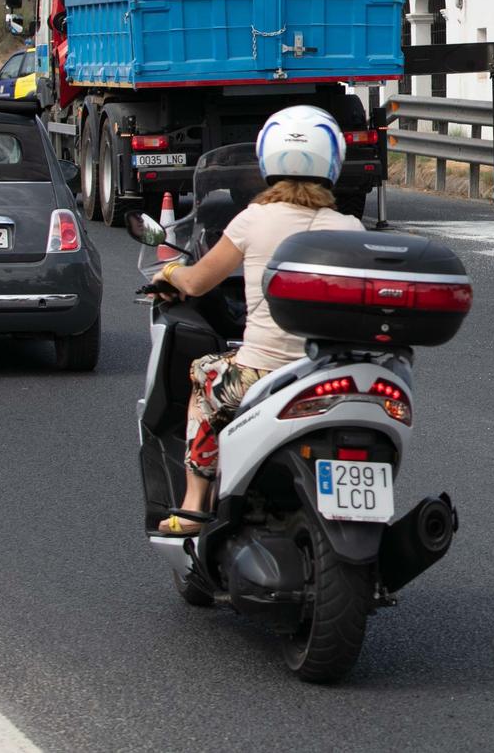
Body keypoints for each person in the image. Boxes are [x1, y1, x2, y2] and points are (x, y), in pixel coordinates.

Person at [152, 106, 364, 534]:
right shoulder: (349, 227)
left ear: (268, 160)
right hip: (327, 374)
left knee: (202, 380)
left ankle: (194, 505)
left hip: (260, 374)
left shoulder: (253, 219)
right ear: (334, 163)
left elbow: (197, 282)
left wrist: (169, 272)